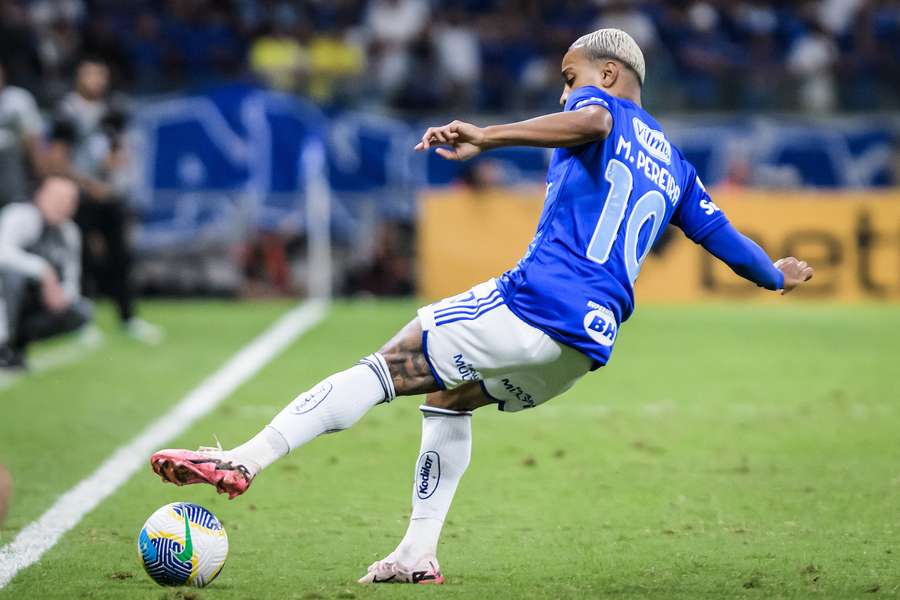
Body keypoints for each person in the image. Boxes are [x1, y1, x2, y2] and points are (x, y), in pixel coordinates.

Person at [149, 29, 815, 585]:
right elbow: (729, 243)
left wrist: (490, 136)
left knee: (388, 365)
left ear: (609, 74)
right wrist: (778, 278)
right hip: (587, 344)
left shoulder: (600, 110)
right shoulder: (675, 165)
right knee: (450, 399)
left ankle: (244, 459)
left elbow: (589, 119)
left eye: (571, 75)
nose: (565, 89)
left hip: (539, 300)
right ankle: (416, 553)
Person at [54, 57, 162, 344]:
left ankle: (128, 317)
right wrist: (88, 184)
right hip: (80, 197)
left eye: (100, 75)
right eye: (89, 74)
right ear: (79, 77)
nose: (95, 80)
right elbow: (58, 158)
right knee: (83, 260)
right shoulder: (67, 111)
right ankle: (81, 321)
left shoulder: (113, 110)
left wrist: (113, 170)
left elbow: (119, 150)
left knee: (121, 257)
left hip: (110, 195)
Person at [0, 177, 92, 369]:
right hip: (8, 294)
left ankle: (18, 344)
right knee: (12, 278)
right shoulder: (19, 216)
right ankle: (3, 343)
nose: (62, 206)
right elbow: (3, 253)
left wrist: (62, 297)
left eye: (68, 201)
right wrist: (43, 271)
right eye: (57, 198)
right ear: (41, 196)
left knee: (80, 311)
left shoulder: (69, 233)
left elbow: (72, 278)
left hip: (39, 300)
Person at [0, 62, 45, 208]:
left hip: (15, 169)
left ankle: (15, 201)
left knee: (7, 146)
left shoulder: (18, 99)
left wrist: (41, 174)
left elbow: (34, 139)